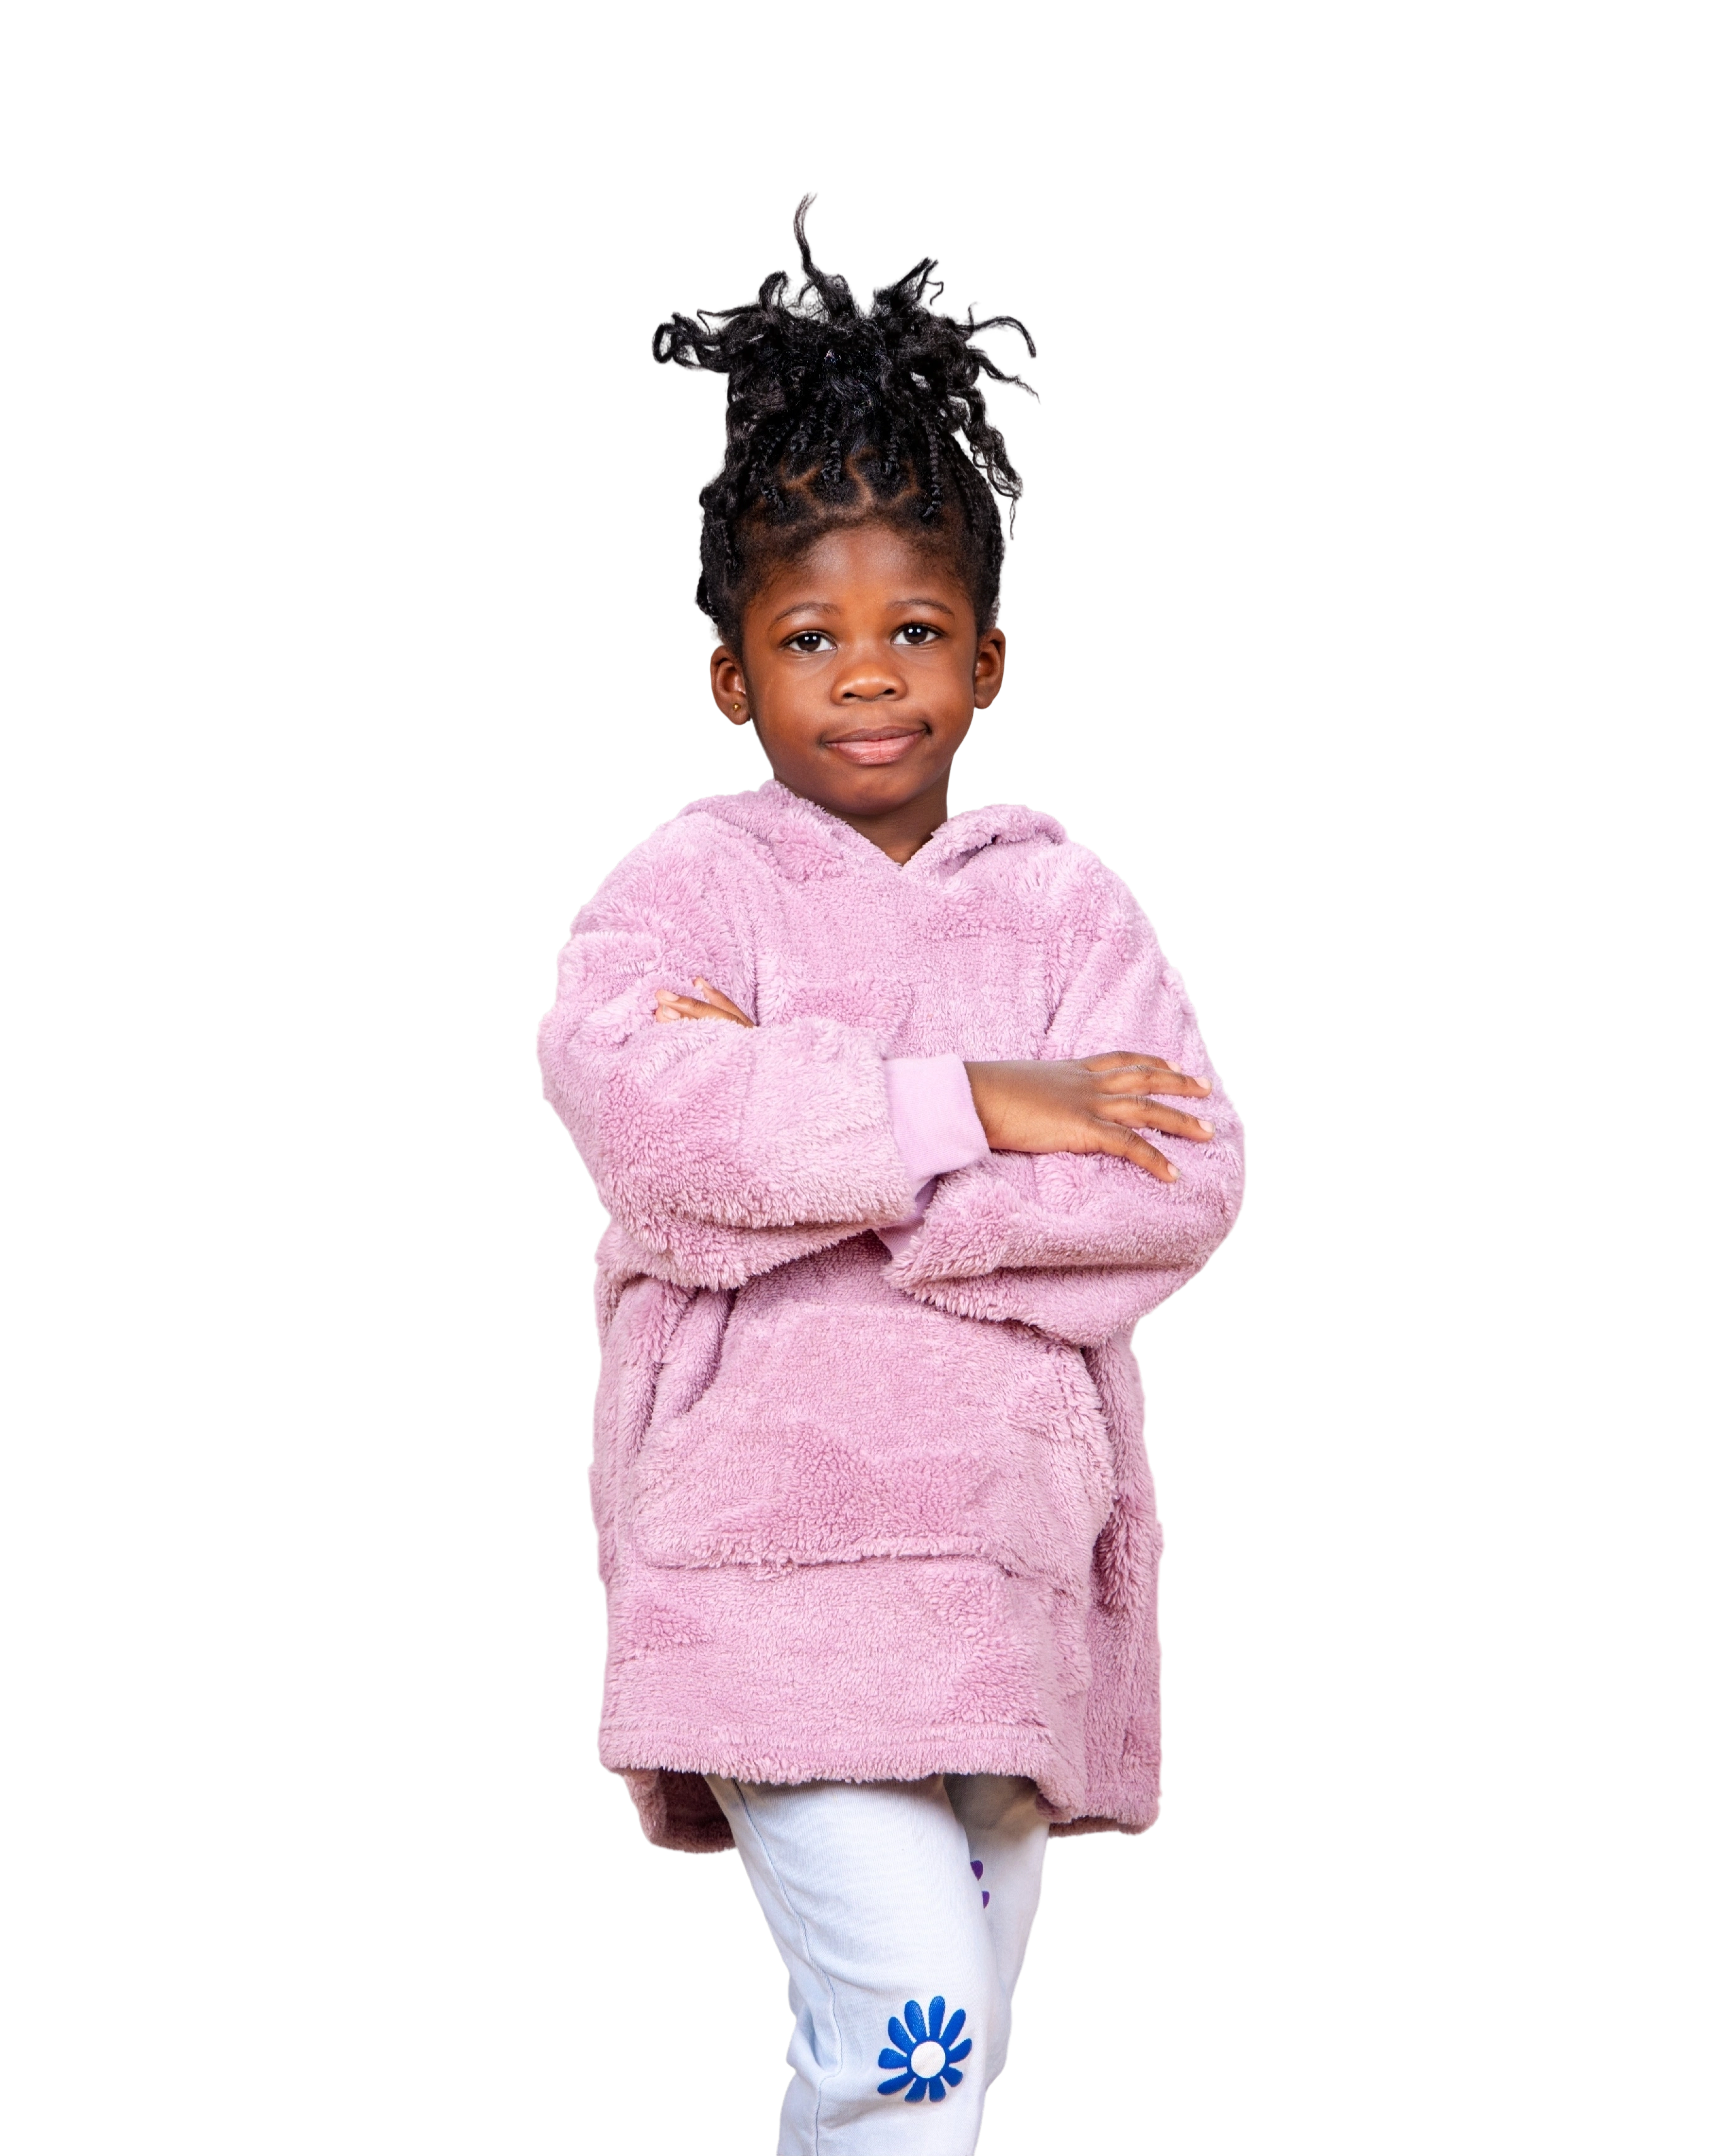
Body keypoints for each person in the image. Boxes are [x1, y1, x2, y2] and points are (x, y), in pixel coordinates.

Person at [535, 188, 1250, 2155]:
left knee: (946, 2055)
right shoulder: (692, 886)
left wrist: (856, 1189)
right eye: (810, 638)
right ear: (729, 674)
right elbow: (647, 1116)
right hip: (769, 1572)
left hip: (1007, 1584)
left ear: (991, 657)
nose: (867, 676)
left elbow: (1181, 1177)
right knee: (908, 2033)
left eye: (915, 630)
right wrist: (975, 1105)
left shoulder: (1066, 902)